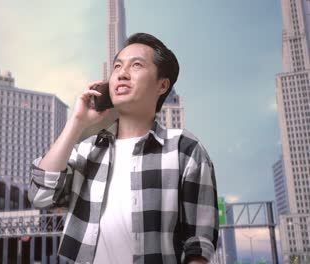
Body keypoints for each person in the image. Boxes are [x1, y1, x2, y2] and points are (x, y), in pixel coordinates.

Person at [28, 32, 218, 264]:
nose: (122, 74)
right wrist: (76, 122)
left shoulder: (185, 150)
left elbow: (198, 245)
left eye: (136, 65)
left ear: (162, 85)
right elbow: (40, 195)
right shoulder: (87, 150)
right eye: (117, 66)